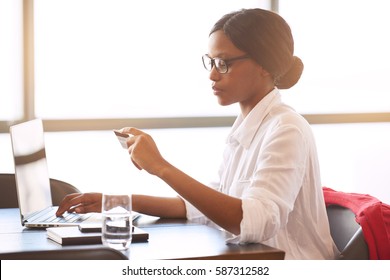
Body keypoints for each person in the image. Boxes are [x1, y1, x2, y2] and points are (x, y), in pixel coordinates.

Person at [56, 8, 338, 259]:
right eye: (211, 62)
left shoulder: (287, 128)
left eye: (224, 63)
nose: (213, 75)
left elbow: (255, 222)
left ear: (264, 64)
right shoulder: (247, 125)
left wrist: (161, 167)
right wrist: (115, 202)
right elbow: (206, 206)